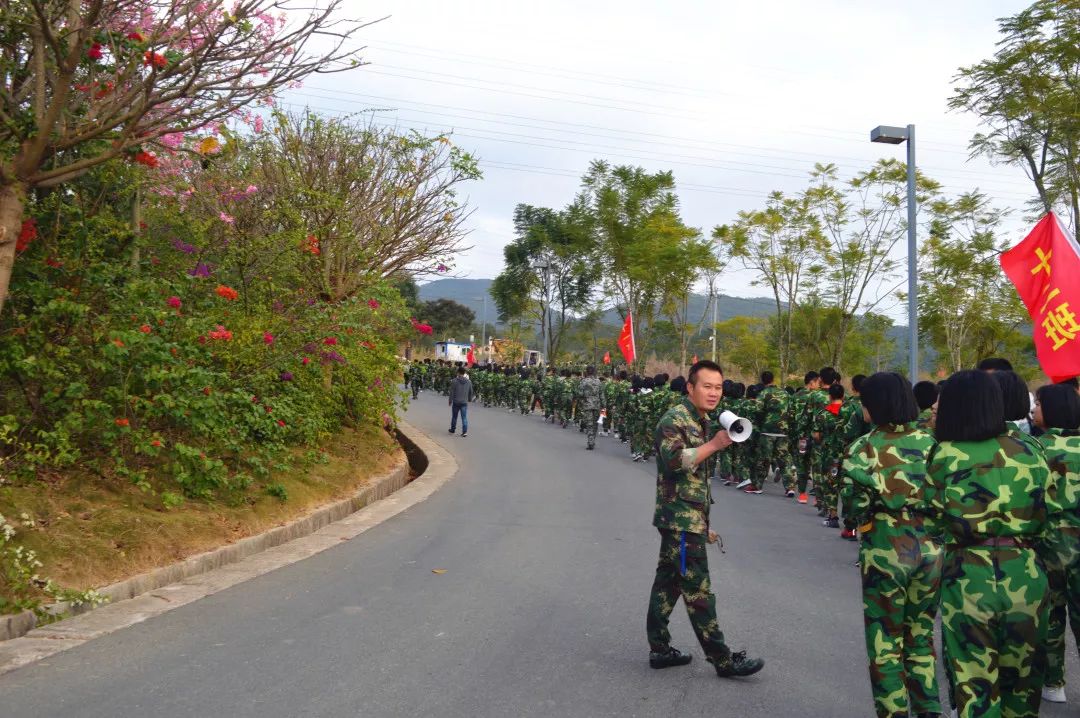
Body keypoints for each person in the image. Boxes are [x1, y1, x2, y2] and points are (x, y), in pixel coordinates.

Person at [927, 370, 1055, 718]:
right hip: (1026, 573)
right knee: (1024, 686)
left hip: (967, 577)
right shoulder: (1032, 449)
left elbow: (933, 520)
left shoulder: (944, 455)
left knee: (974, 684)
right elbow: (1049, 515)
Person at [647, 360, 765, 679]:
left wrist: (704, 524)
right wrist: (714, 444)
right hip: (680, 520)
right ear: (690, 387)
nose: (713, 393)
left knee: (668, 583)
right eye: (706, 386)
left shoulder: (700, 418)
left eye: (718, 387)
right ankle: (723, 660)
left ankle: (659, 648)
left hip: (686, 517)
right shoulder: (675, 420)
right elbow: (674, 462)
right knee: (698, 589)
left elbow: (695, 479)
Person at [841, 373, 942, 718]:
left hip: (886, 551)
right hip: (930, 551)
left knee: (885, 643)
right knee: (921, 637)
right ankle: (929, 710)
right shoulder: (935, 445)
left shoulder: (864, 447)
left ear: (875, 405)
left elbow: (854, 507)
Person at [1032, 384, 1080, 705]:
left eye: (1037, 405)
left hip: (1047, 546)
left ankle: (1054, 683)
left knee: (1051, 615)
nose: (1033, 410)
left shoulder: (1036, 448)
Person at [577, 365, 603, 450]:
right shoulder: (598, 381)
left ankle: (590, 441)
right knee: (595, 424)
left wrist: (581, 403)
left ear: (587, 372)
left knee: (589, 424)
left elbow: (580, 394)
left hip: (587, 405)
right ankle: (592, 440)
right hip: (597, 405)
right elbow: (602, 395)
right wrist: (604, 406)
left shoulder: (583, 381)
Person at [448, 367, 475, 437]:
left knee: (454, 417)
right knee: (464, 417)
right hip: (464, 402)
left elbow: (452, 392)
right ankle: (464, 432)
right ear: (464, 373)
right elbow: (471, 391)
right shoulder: (469, 381)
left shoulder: (454, 381)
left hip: (456, 401)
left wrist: (450, 400)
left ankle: (453, 429)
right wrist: (469, 399)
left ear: (458, 372)